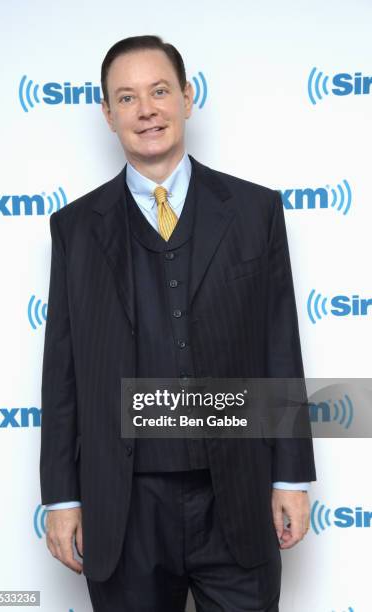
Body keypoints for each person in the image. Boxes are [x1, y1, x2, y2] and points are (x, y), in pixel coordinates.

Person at [40, 35, 316, 612]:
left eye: (160, 91)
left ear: (187, 98)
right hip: (125, 506)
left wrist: (290, 479)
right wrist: (62, 497)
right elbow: (63, 373)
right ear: (108, 113)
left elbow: (279, 347)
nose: (147, 110)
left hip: (236, 497)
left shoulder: (254, 212)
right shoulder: (75, 230)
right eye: (128, 97)